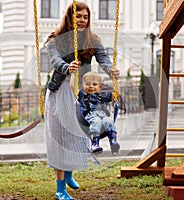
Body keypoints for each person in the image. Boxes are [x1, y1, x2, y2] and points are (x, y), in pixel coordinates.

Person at [43, 2, 120, 200]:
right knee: (60, 137)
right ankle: (60, 188)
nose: (82, 20)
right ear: (70, 17)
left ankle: (69, 173)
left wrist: (111, 70)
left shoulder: (92, 40)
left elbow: (103, 59)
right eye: (78, 16)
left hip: (80, 94)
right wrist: (66, 67)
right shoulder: (55, 39)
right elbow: (54, 60)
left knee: (78, 134)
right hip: (60, 91)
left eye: (85, 17)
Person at [70, 71, 120, 155]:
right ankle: (95, 144)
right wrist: (73, 74)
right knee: (96, 120)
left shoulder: (103, 96)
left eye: (94, 84)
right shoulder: (82, 95)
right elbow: (72, 87)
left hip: (103, 118)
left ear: (100, 87)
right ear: (83, 86)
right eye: (88, 84)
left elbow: (117, 94)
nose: (91, 86)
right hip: (90, 119)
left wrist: (116, 80)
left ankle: (113, 142)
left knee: (108, 120)